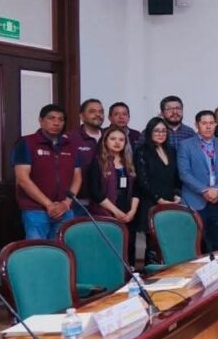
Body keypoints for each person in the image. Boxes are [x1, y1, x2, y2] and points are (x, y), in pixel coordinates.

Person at [12, 104, 82, 239]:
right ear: (41, 120)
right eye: (51, 118)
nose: (56, 123)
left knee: (62, 248)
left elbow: (77, 177)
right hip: (36, 210)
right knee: (38, 248)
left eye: (61, 119)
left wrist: (66, 203)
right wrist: (48, 204)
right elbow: (22, 178)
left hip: (65, 209)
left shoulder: (70, 145)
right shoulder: (26, 142)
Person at [177, 110, 218, 253]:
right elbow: (184, 173)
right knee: (197, 244)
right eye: (204, 123)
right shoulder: (185, 145)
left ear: (216, 124)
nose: (208, 126)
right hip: (195, 200)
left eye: (211, 123)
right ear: (197, 125)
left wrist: (217, 189)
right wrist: (205, 190)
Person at [135, 116, 179, 265]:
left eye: (163, 131)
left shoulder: (171, 150)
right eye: (157, 131)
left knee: (169, 240)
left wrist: (176, 194)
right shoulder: (142, 151)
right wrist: (159, 199)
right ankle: (152, 273)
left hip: (170, 201)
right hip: (151, 202)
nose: (161, 134)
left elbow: (176, 176)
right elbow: (142, 181)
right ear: (149, 132)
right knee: (153, 243)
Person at [88, 127, 139, 230]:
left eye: (121, 140)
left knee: (128, 240)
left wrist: (132, 211)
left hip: (128, 214)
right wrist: (116, 212)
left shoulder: (129, 162)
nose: (117, 142)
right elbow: (95, 192)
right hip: (105, 213)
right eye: (113, 139)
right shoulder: (98, 162)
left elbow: (137, 189)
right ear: (105, 141)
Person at [67, 97, 103, 202]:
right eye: (92, 111)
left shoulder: (110, 136)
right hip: (80, 200)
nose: (98, 114)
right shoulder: (70, 138)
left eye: (101, 112)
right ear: (82, 116)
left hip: (107, 200)